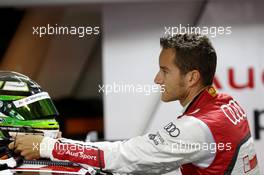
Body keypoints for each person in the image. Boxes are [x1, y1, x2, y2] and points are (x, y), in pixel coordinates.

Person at [8, 34, 260, 174]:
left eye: (165, 71)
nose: (157, 79)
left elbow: (125, 156)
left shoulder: (197, 127)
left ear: (192, 77)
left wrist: (49, 146)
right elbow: (158, 161)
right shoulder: (225, 103)